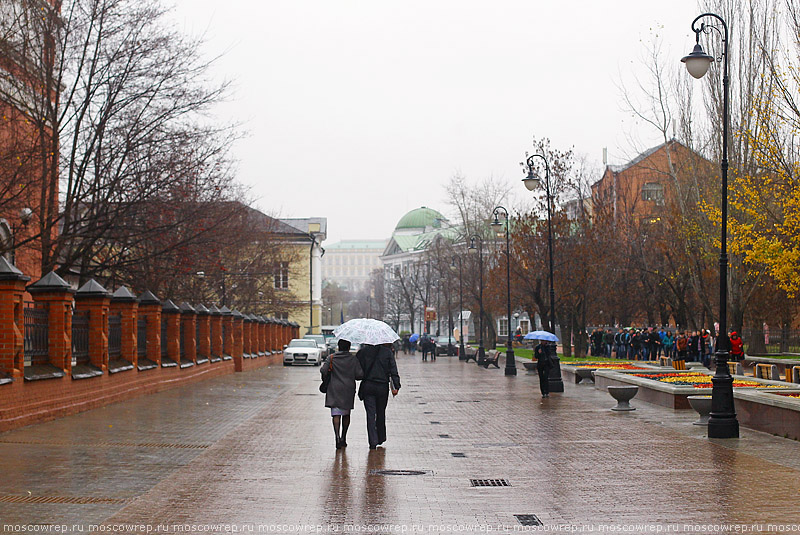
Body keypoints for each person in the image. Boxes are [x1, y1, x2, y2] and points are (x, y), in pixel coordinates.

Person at [356, 343, 401, 450]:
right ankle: (380, 437)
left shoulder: (363, 352)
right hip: (382, 387)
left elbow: (357, 369)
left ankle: (372, 441)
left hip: (368, 386)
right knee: (381, 412)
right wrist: (396, 385)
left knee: (370, 414)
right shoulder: (387, 352)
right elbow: (393, 370)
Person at [321, 339, 364, 450]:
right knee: (346, 413)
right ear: (349, 347)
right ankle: (344, 437)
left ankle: (337, 436)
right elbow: (360, 374)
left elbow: (323, 370)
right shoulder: (353, 359)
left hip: (334, 388)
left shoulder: (331, 358)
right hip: (348, 389)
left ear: (338, 347)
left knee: (336, 413)